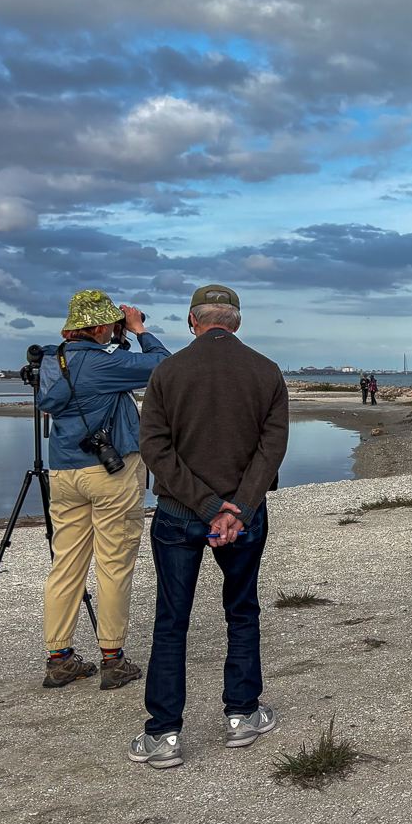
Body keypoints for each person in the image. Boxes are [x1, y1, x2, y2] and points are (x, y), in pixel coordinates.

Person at [130, 285, 289, 769]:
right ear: (236, 321)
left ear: (191, 322)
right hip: (241, 515)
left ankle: (164, 734)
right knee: (241, 611)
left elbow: (155, 448)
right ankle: (241, 714)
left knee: (171, 621)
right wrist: (236, 508)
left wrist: (205, 505)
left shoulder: (168, 371)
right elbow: (272, 448)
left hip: (180, 515)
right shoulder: (265, 371)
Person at [34, 289, 169, 691]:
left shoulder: (51, 361)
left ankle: (59, 658)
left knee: (66, 564)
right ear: (99, 326)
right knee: (113, 563)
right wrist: (139, 329)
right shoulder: (103, 363)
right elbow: (164, 367)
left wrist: (118, 335)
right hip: (110, 472)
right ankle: (113, 659)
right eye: (110, 322)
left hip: (63, 470)